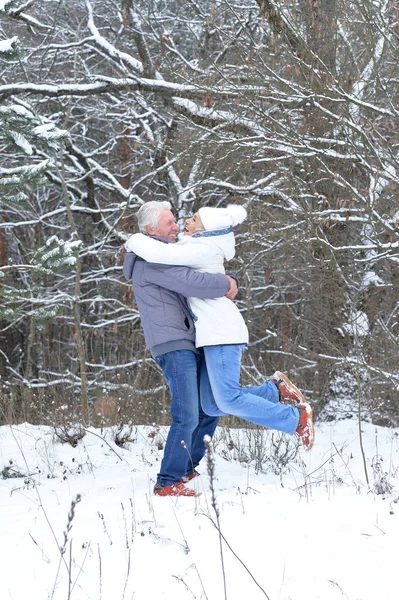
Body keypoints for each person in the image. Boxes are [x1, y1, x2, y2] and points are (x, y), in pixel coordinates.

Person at [125, 203, 315, 453]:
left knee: (227, 398)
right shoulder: (195, 247)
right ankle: (275, 390)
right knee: (212, 405)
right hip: (211, 334)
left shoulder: (199, 249)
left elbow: (170, 259)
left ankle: (294, 420)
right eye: (171, 222)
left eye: (192, 219)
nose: (181, 224)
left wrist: (133, 240)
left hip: (221, 331)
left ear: (206, 230)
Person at [123, 201, 239, 497]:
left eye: (175, 221)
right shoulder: (151, 260)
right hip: (172, 343)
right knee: (187, 413)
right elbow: (191, 281)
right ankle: (168, 480)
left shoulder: (168, 254)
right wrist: (225, 282)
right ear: (150, 230)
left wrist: (229, 279)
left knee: (208, 409)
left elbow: (200, 266)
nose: (176, 227)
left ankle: (187, 466)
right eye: (168, 223)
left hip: (190, 339)